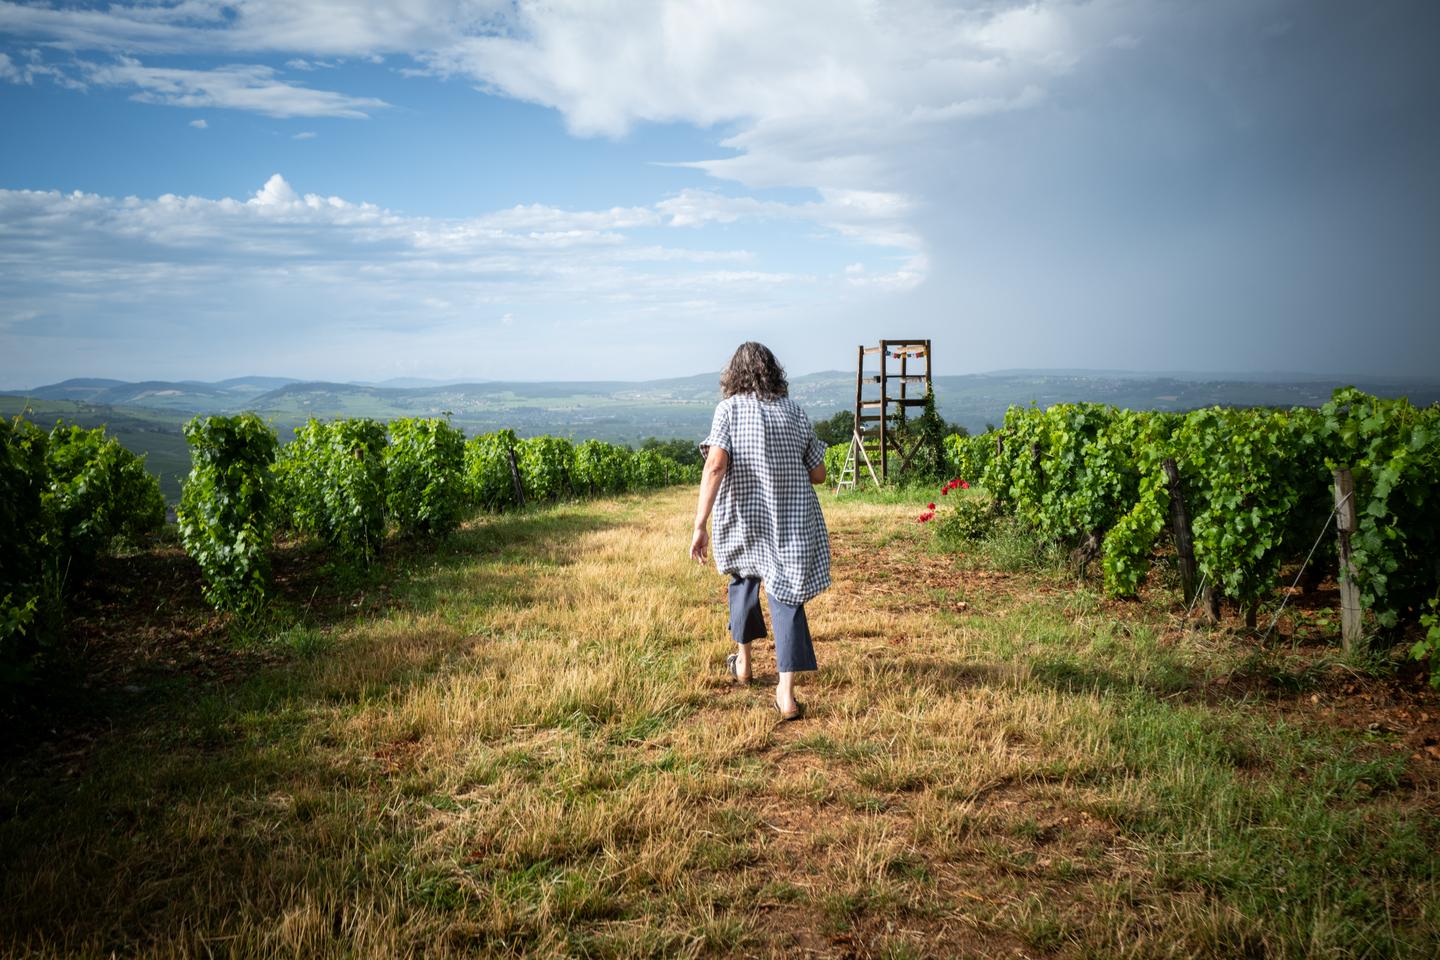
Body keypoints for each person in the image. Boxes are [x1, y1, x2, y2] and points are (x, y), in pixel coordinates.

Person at [689, 342, 831, 721]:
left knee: (743, 582)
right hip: (790, 520)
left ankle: (744, 663)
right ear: (774, 372)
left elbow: (716, 464)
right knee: (787, 597)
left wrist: (699, 524)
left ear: (733, 374)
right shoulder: (794, 412)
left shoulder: (729, 410)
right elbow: (818, 474)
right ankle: (786, 696)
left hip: (745, 519)